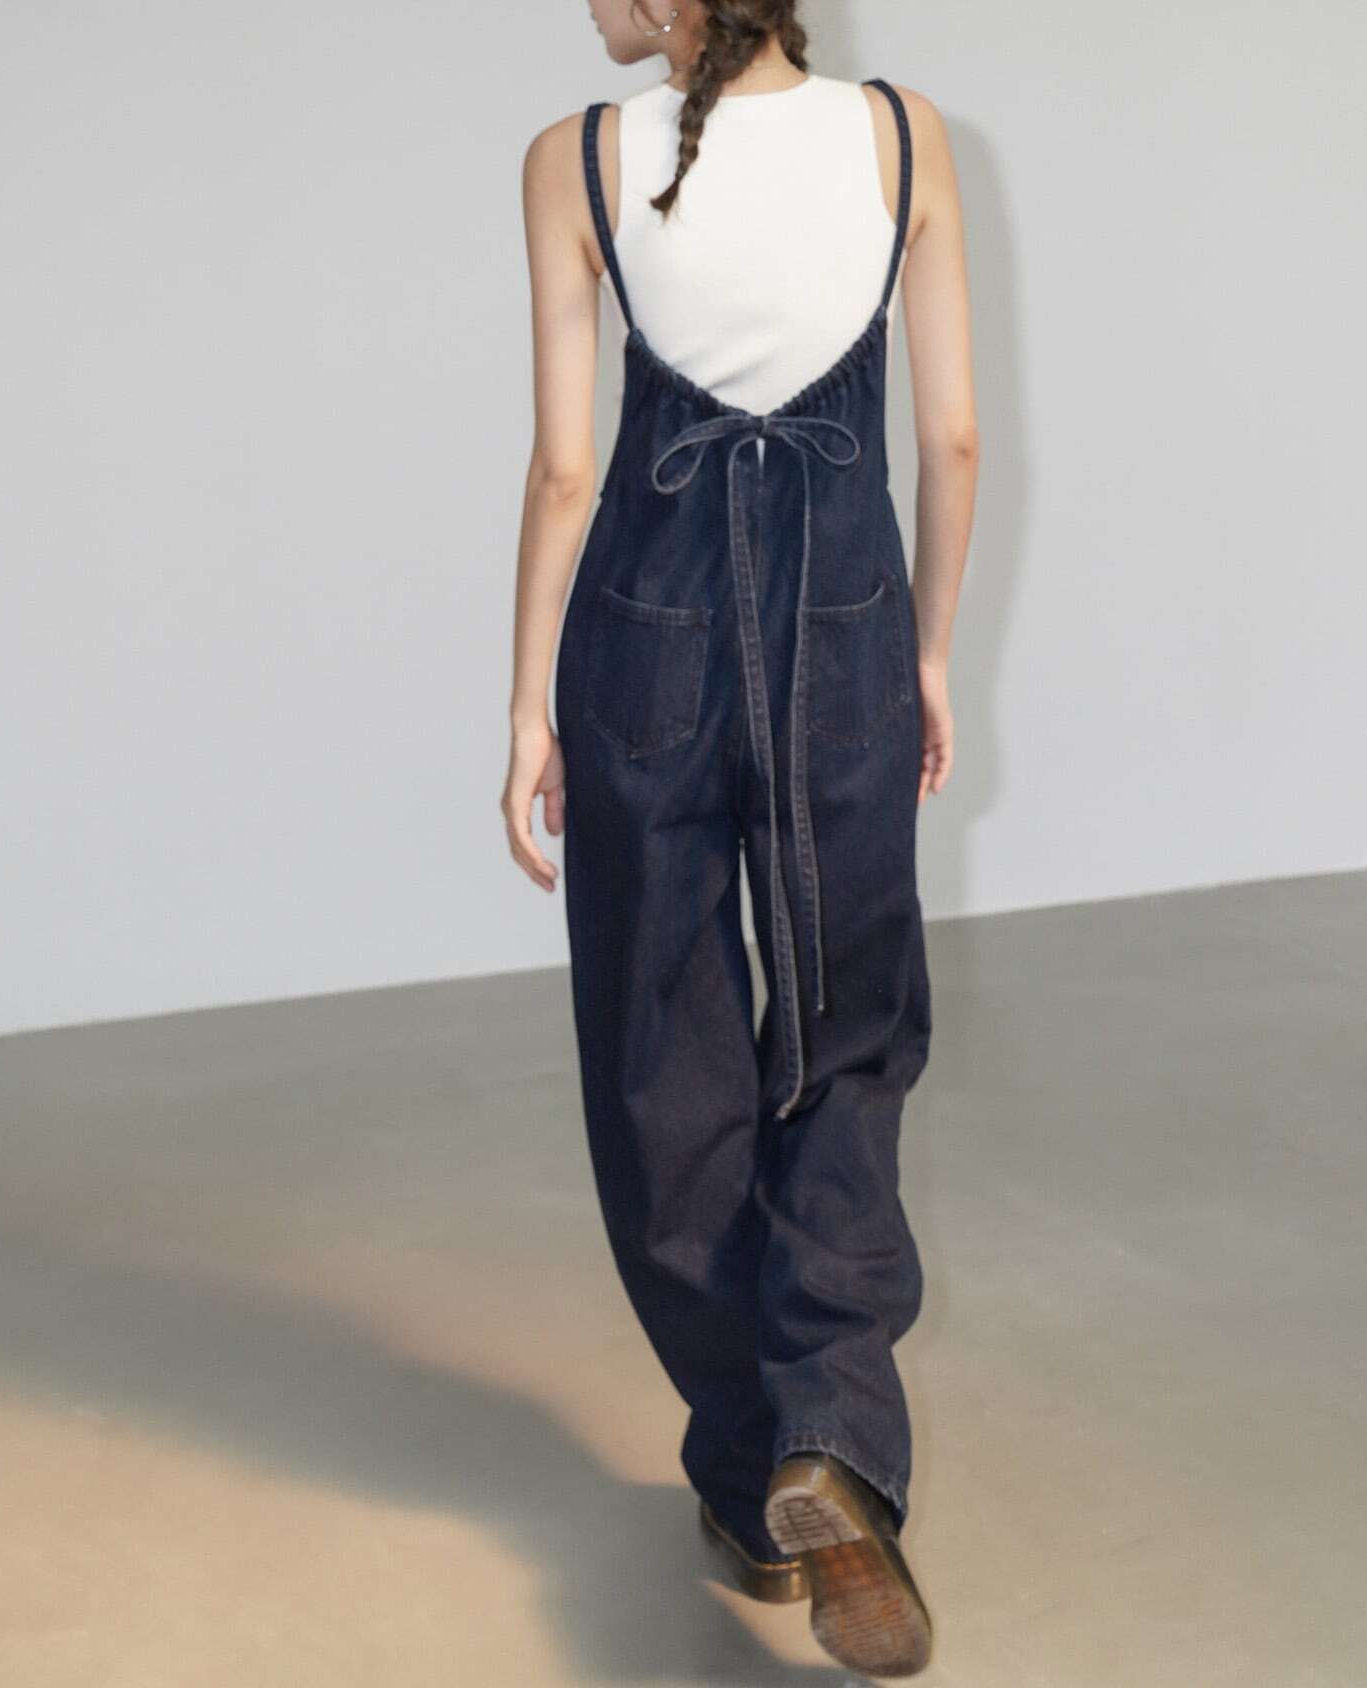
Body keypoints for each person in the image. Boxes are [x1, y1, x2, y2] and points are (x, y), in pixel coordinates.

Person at [502, 1, 977, 1674]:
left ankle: (749, 1464)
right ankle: (830, 1436)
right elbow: (953, 439)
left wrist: (527, 708)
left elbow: (569, 469)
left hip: (647, 647)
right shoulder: (903, 134)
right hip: (846, 639)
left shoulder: (575, 157)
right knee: (848, 1038)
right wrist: (925, 656)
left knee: (665, 1051)